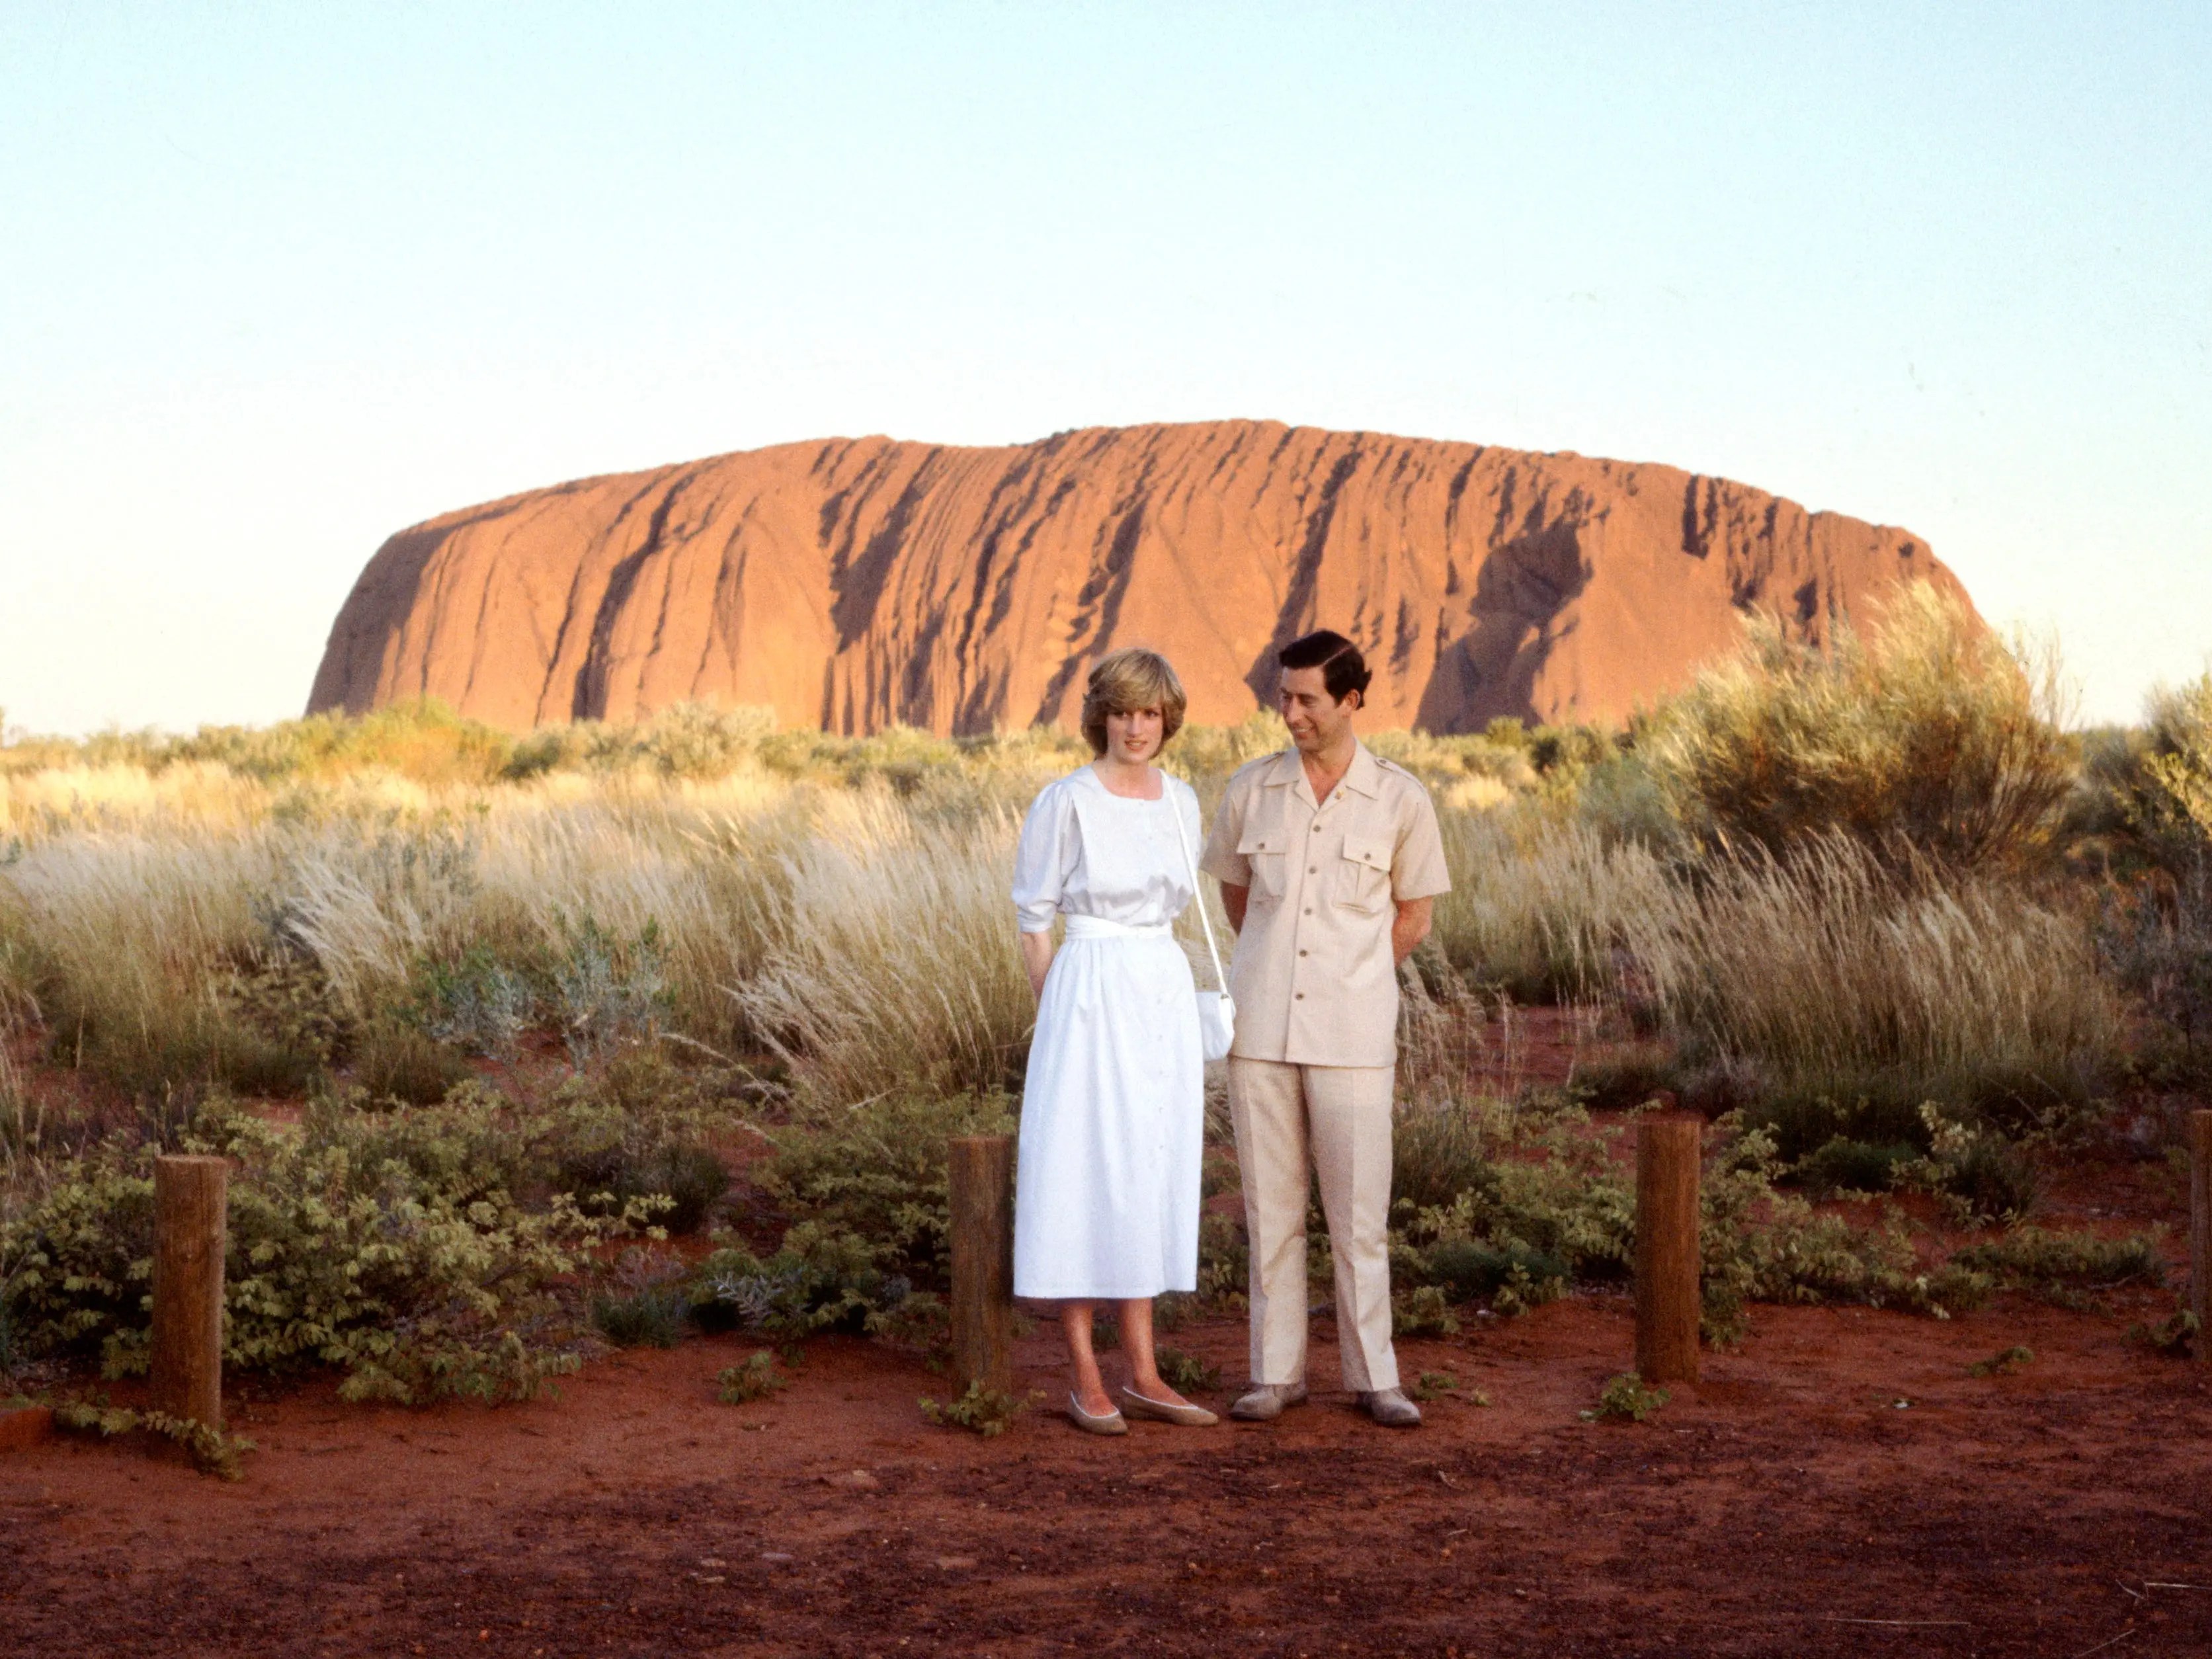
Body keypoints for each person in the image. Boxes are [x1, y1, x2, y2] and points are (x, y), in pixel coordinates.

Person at [1198, 629, 1452, 1428]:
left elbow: (1415, 913)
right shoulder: (1250, 789)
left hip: (1353, 1034)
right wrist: (1278, 966)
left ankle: (1376, 1378)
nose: (1291, 712)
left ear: (1350, 700)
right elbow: (1238, 901)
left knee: (1357, 1214)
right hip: (1261, 1031)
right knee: (1271, 1210)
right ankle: (1276, 1375)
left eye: (1307, 698)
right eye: (1284, 697)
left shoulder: (1402, 798)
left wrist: (1352, 971)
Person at [1010, 647, 1219, 1435]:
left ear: (1169, 720)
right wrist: (1059, 1010)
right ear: (1103, 715)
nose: (1138, 727)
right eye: (1125, 712)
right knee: (1080, 1163)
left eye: (1152, 713)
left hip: (1159, 985)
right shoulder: (1065, 800)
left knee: (1147, 1165)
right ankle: (1085, 1371)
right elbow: (1035, 920)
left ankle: (1146, 1371)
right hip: (1088, 986)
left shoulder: (1183, 800)